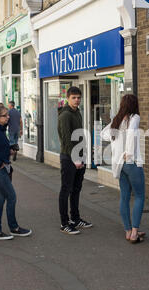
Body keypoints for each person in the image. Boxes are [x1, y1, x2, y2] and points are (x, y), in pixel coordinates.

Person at [0, 105, 32, 240]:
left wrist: (9, 150)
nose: (8, 117)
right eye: (5, 115)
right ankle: (13, 227)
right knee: (11, 197)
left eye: (7, 115)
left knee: (0, 199)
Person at [101, 94, 146, 243]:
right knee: (139, 196)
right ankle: (134, 232)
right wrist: (129, 153)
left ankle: (128, 231)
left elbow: (103, 135)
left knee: (125, 197)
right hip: (131, 163)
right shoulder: (134, 117)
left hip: (119, 164)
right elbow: (132, 134)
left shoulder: (117, 119)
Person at [58, 86, 92, 235]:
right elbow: (66, 139)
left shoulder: (77, 112)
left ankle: (76, 219)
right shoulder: (65, 115)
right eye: (74, 97)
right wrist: (75, 158)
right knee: (66, 190)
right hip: (69, 157)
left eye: (78, 97)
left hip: (79, 156)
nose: (77, 100)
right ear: (68, 98)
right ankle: (64, 223)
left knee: (76, 189)